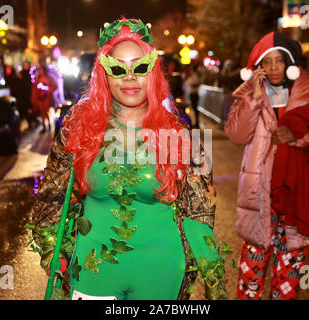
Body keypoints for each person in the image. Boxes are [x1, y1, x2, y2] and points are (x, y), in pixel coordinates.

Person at [28, 18, 228, 300]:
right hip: (93, 270)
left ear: (153, 72)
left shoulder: (179, 135)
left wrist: (213, 274)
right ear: (104, 74)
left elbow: (199, 211)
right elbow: (51, 199)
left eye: (140, 67)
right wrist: (53, 254)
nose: (130, 77)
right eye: (118, 68)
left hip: (161, 272)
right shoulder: (77, 131)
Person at [225, 31, 309, 300]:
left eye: (279, 61)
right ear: (257, 66)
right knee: (252, 268)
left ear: (291, 63)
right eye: (266, 62)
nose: (272, 68)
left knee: (288, 271)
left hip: (296, 194)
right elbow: (236, 134)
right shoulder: (250, 93)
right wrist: (254, 98)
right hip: (259, 194)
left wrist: (299, 137)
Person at [31, 65, 57, 133]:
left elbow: (54, 86)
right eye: (40, 70)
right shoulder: (37, 79)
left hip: (47, 98)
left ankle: (49, 125)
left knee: (46, 112)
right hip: (40, 98)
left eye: (42, 70)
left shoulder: (49, 78)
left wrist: (48, 89)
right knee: (42, 112)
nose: (40, 71)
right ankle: (44, 127)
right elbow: (34, 89)